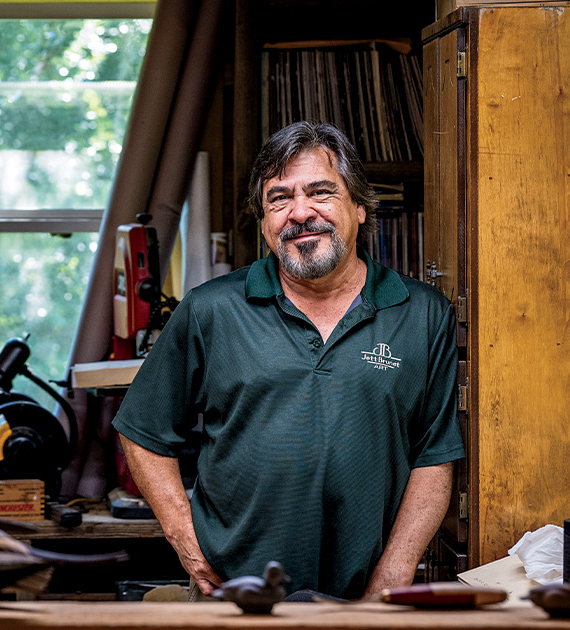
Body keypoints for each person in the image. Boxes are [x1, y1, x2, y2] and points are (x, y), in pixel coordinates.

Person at [112, 121, 465, 601]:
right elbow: (142, 432)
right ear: (263, 221)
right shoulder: (210, 310)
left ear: (360, 206)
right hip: (230, 595)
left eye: (321, 192)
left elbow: (434, 456)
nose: (300, 213)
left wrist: (393, 575)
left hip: (364, 598)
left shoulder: (422, 314)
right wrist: (185, 539)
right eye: (279, 199)